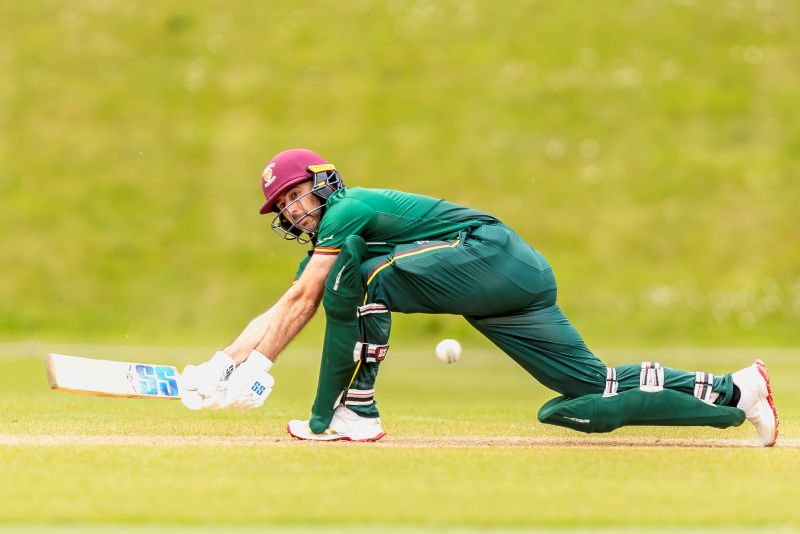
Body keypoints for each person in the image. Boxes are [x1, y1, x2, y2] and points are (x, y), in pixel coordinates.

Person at [180, 148, 779, 446]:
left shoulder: (347, 209)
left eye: (295, 194)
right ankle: (736, 392)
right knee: (586, 391)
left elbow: (309, 300)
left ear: (324, 182)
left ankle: (349, 412)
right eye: (282, 205)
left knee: (364, 278)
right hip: (513, 284)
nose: (291, 209)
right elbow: (288, 302)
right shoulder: (330, 243)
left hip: (489, 254)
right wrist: (223, 363)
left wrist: (259, 368)